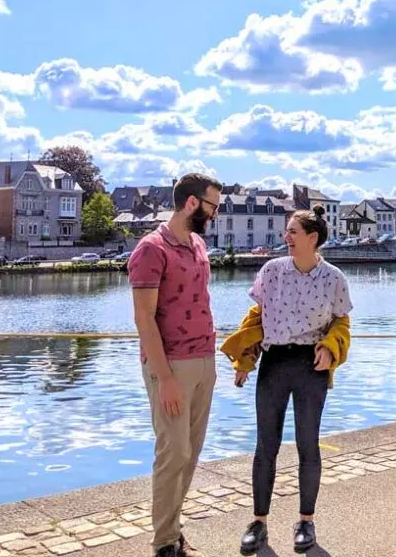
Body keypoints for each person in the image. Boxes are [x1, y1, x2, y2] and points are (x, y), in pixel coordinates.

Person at [220, 205, 352, 555]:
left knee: (308, 445)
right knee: (266, 446)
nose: (286, 237)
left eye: (293, 231)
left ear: (312, 238)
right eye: (286, 231)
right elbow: (256, 318)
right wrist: (245, 359)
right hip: (275, 363)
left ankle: (305, 521)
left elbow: (342, 323)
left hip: (311, 366)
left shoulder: (334, 279)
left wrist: (330, 348)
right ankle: (259, 523)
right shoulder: (271, 271)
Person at [128, 173, 222, 557]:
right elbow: (144, 319)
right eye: (213, 205)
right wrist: (164, 377)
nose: (216, 213)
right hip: (172, 366)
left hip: (204, 360)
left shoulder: (198, 244)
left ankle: (172, 527)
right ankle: (165, 542)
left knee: (191, 451)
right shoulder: (151, 249)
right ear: (192, 203)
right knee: (173, 452)